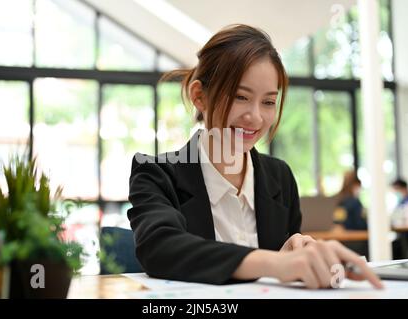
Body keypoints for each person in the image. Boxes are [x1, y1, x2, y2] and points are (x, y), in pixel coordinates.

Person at [127, 24, 382, 289]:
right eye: (240, 97)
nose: (256, 117)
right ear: (199, 97)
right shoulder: (156, 172)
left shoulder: (279, 177)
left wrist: (296, 249)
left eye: (269, 102)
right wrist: (274, 263)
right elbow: (159, 248)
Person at [390, 178, 408, 259]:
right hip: (403, 235)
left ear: (404, 188)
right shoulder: (400, 203)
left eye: (397, 189)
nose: (396, 192)